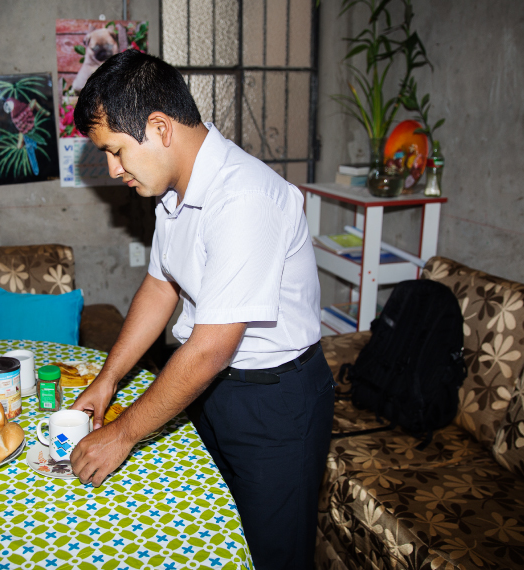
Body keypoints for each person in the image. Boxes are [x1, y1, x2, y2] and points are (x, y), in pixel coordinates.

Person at [68, 49, 334, 570]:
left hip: (274, 400)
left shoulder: (245, 198)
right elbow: (159, 286)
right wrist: (109, 377)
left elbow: (212, 347)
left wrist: (122, 434)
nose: (113, 168)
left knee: (273, 554)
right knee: (216, 536)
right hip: (210, 387)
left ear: (160, 127)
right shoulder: (174, 189)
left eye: (117, 150)